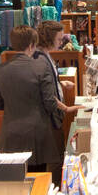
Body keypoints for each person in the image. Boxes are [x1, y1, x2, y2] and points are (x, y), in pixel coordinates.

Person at [0, 26, 63, 177]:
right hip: (37, 136)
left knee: (16, 184)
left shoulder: (0, 69)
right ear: (32, 45)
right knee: (36, 183)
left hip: (10, 135)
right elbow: (50, 103)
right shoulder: (40, 66)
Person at [36, 20, 77, 185]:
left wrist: (60, 84)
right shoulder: (40, 59)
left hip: (53, 116)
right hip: (49, 119)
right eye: (59, 39)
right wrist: (66, 108)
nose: (61, 42)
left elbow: (47, 85)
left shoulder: (44, 55)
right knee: (56, 160)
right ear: (49, 38)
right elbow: (43, 93)